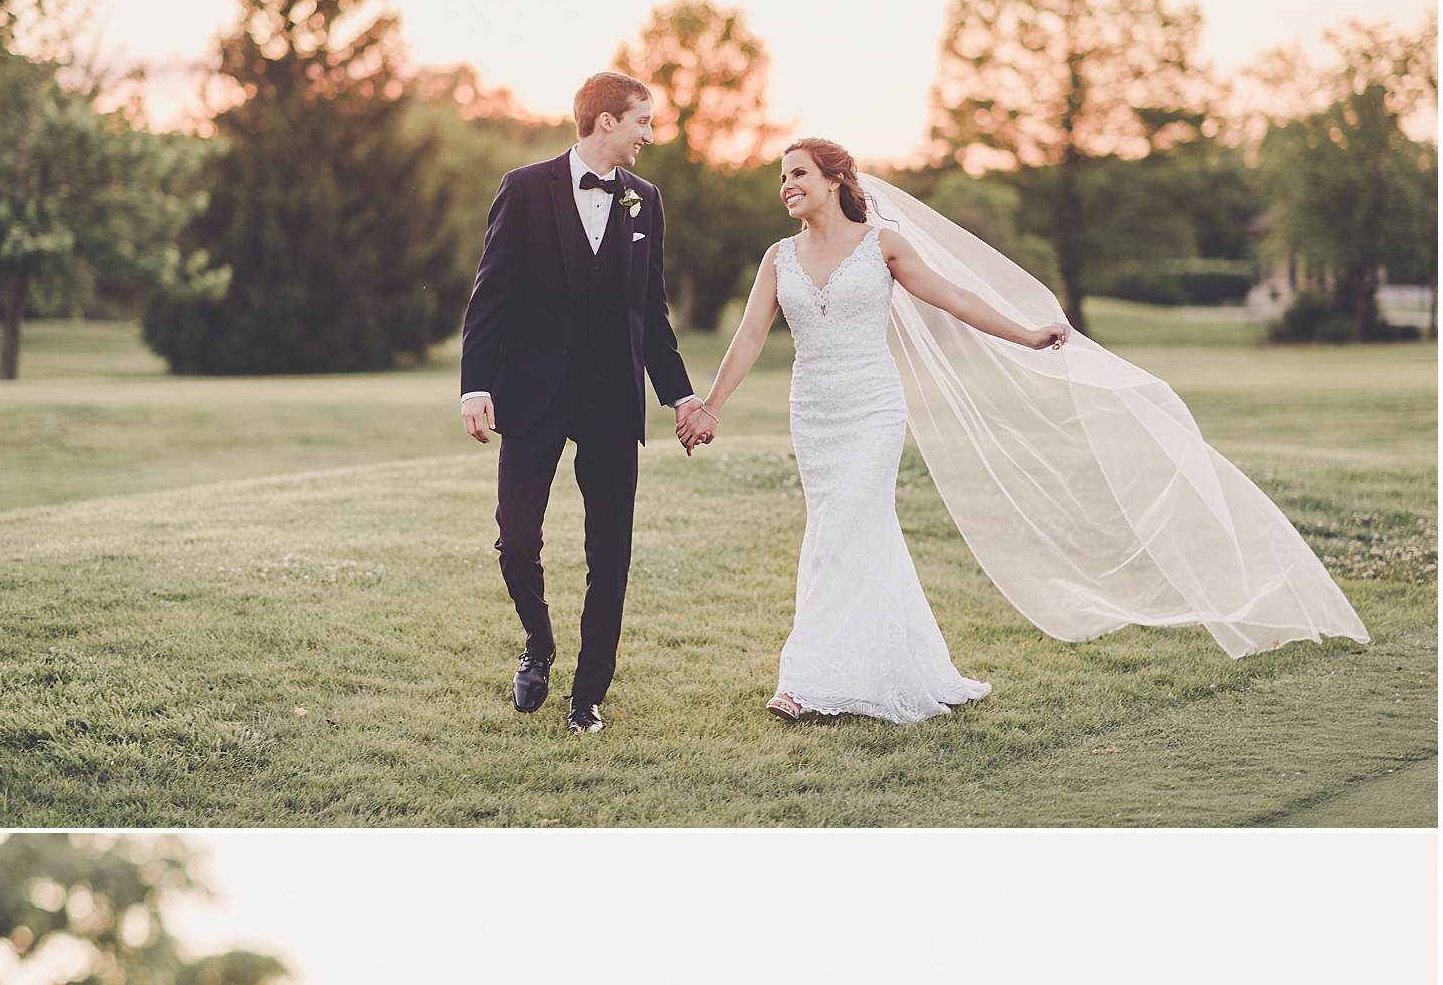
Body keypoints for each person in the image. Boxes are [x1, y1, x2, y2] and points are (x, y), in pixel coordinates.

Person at [685, 138, 1368, 722]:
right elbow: (748, 337)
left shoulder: (883, 244)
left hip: (872, 409)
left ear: (837, 180)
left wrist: (1024, 334)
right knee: (844, 530)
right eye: (781, 176)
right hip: (816, 412)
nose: (786, 184)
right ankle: (884, 668)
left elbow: (954, 297)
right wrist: (711, 405)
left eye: (797, 172)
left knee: (846, 527)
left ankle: (801, 683)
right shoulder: (778, 258)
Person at [459, 70, 714, 734]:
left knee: (613, 550)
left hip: (610, 398)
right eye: (642, 121)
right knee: (516, 539)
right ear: (606, 121)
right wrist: (476, 386)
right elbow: (490, 295)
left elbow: (651, 311)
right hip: (534, 395)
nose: (649, 136)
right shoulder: (523, 189)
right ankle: (539, 645)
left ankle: (587, 696)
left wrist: (681, 397)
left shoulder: (645, 201)